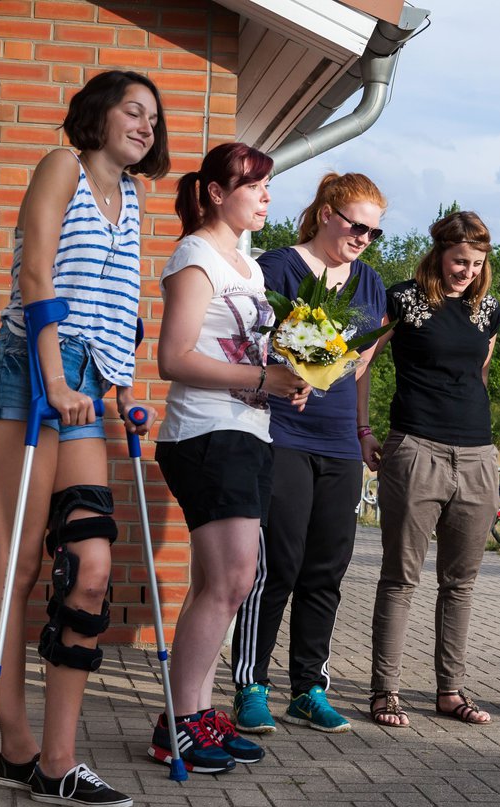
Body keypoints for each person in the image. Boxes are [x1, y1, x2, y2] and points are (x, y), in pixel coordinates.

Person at [0, 70, 169, 807]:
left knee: (89, 565)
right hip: (30, 369)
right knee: (20, 562)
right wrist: (56, 379)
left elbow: (119, 301)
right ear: (98, 113)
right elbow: (37, 270)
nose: (147, 125)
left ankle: (60, 762)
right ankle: (18, 748)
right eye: (133, 109)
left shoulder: (136, 200)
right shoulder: (63, 167)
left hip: (87, 386)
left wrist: (119, 388)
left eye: (154, 117)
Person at [151, 142, 312, 772]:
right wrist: (259, 382)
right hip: (206, 434)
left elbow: (243, 352)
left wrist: (287, 377)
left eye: (269, 185)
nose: (267, 196)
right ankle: (179, 723)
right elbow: (175, 357)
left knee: (225, 582)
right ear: (218, 193)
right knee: (232, 580)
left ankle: (190, 714)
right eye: (255, 185)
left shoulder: (247, 265)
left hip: (248, 433)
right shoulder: (195, 255)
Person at [229, 173, 389, 736]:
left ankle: (308, 688)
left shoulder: (369, 281)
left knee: (326, 568)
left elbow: (363, 360)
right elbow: (251, 341)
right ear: (326, 213)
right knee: (277, 564)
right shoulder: (277, 267)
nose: (364, 238)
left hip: (339, 441)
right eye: (356, 225)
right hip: (281, 433)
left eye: (374, 232)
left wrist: (360, 422)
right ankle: (250, 684)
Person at [361, 211, 500, 728]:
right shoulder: (401, 299)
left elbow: (479, 375)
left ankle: (450, 691)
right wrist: (364, 430)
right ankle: (385, 691)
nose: (466, 270)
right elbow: (364, 363)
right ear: (439, 253)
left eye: (476, 262)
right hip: (415, 448)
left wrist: (485, 451)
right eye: (459, 260)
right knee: (401, 577)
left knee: (460, 583)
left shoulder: (489, 311)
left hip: (479, 456)